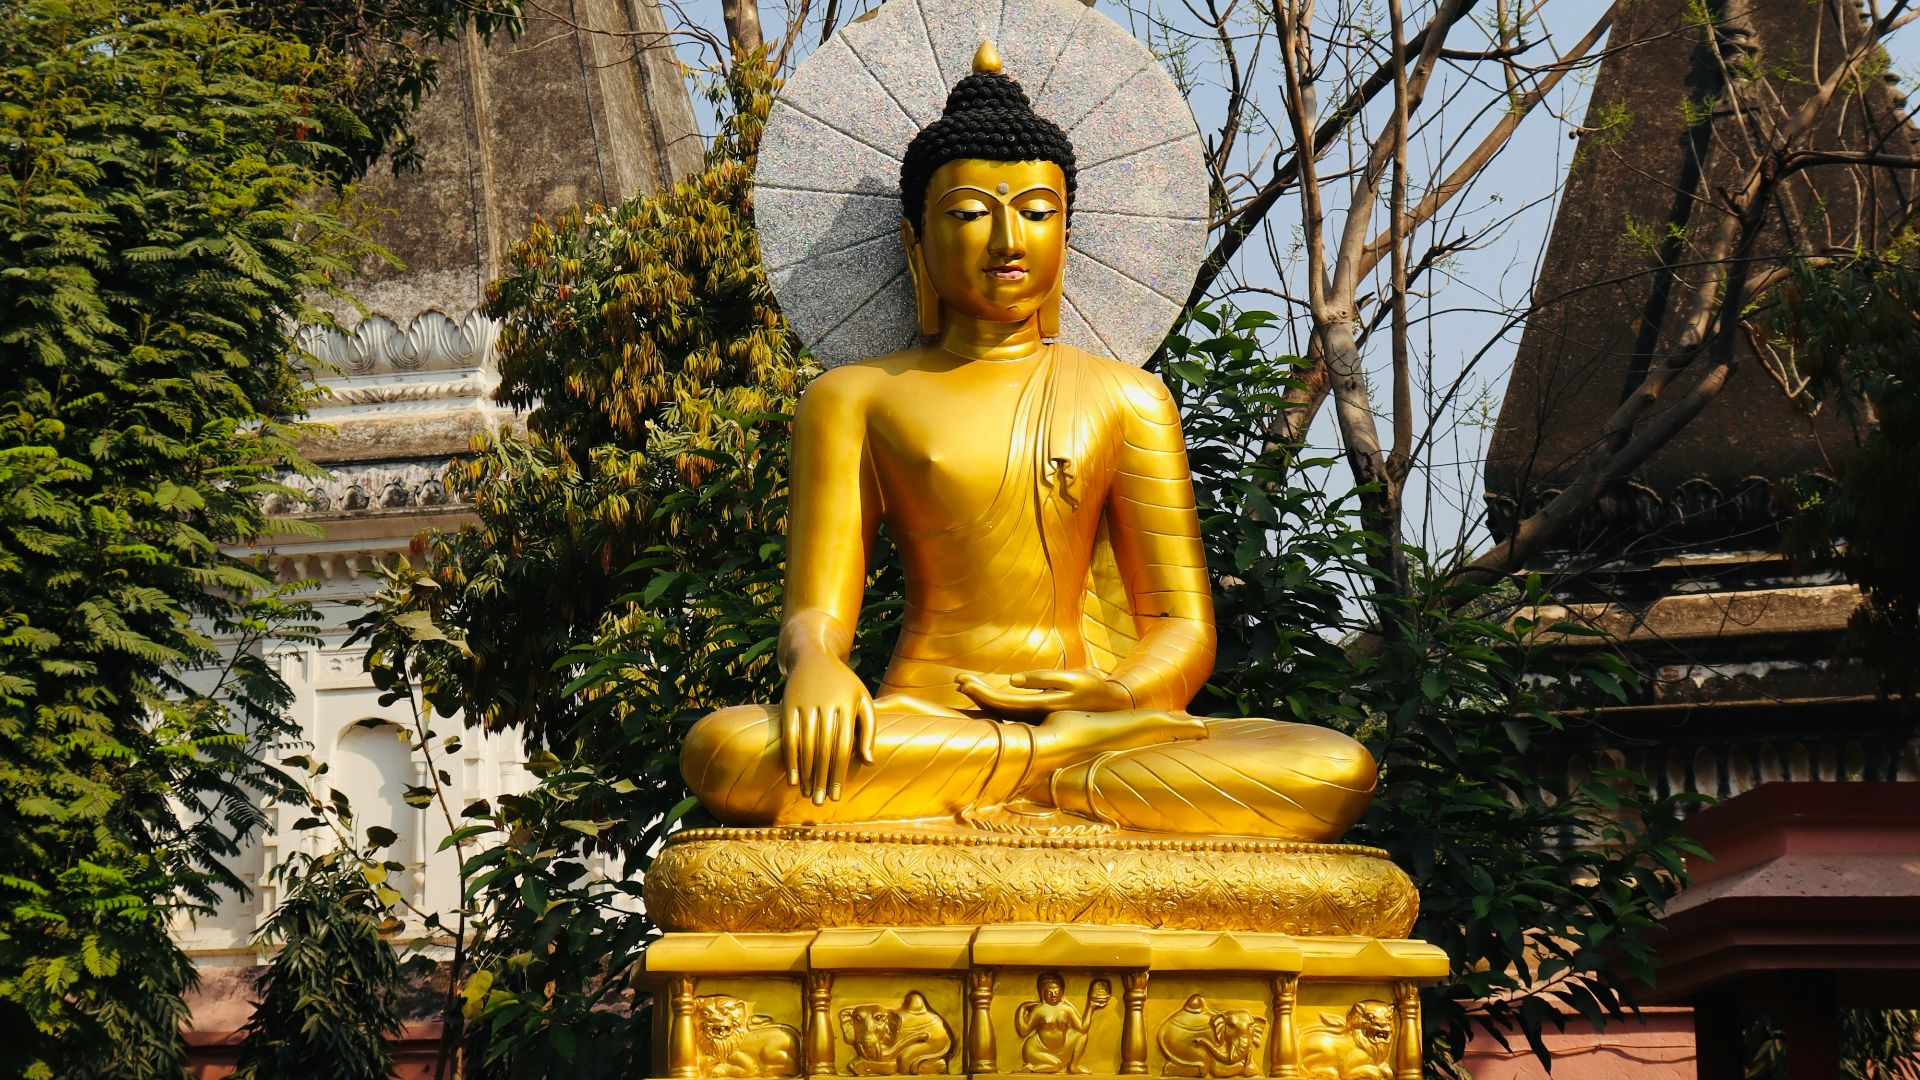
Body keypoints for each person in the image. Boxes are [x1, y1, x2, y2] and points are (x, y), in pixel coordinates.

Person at [680, 44, 1375, 840]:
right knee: (729, 752)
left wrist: (1116, 696)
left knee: (1335, 767)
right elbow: (816, 609)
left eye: (1038, 214)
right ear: (915, 241)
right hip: (928, 716)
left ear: (1066, 236)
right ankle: (1053, 769)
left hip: (1095, 718)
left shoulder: (1128, 398)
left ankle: (1044, 763)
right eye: (970, 213)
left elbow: (1182, 628)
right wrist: (815, 665)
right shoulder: (854, 398)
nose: (1008, 240)